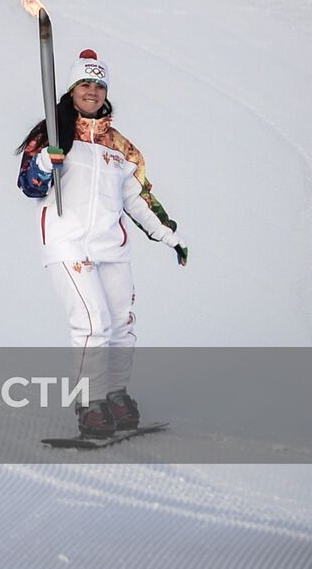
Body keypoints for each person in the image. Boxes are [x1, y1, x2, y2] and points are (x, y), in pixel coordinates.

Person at [15, 49, 188, 438]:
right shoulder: (53, 133)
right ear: (72, 89)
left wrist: (169, 236)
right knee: (92, 323)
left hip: (111, 247)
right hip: (68, 242)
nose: (92, 91)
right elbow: (29, 185)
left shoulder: (120, 147)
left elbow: (138, 200)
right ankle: (89, 404)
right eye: (85, 84)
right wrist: (45, 163)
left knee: (121, 325)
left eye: (98, 85)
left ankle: (115, 395)